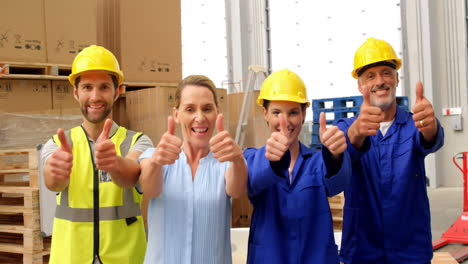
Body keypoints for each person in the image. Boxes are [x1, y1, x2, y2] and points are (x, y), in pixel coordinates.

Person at [41, 45, 153, 264]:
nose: (95, 96)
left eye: (103, 87)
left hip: (125, 258)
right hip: (71, 258)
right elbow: (53, 182)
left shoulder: (138, 141)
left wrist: (115, 164)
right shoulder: (57, 144)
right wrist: (57, 173)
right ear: (76, 92)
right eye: (87, 87)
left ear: (118, 91)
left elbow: (132, 174)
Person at [337, 38, 445, 264]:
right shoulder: (347, 128)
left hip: (410, 250)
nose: (380, 81)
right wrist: (357, 133)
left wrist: (431, 126)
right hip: (362, 250)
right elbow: (337, 158)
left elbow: (430, 139)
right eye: (370, 76)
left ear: (396, 79)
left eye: (386, 73)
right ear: (360, 86)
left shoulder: (413, 125)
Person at [244, 69, 352, 263]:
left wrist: (335, 155)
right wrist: (275, 160)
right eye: (276, 112)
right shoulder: (252, 159)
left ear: (303, 114)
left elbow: (338, 183)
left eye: (293, 112)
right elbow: (254, 181)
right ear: (265, 114)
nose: (284, 122)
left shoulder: (318, 161)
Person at [139, 75, 248, 263]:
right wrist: (156, 162)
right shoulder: (156, 155)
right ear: (176, 115)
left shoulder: (226, 161)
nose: (200, 118)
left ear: (217, 112)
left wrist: (238, 159)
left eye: (207, 109)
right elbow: (150, 189)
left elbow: (236, 189)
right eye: (190, 109)